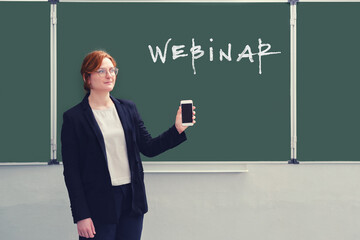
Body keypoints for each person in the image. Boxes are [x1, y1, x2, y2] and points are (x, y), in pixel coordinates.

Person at [61, 50, 196, 240]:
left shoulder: (128, 108)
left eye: (112, 70)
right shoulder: (74, 118)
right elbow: (72, 172)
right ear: (87, 77)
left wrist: (177, 129)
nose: (109, 75)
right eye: (101, 71)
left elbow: (148, 147)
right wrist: (81, 215)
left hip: (131, 199)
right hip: (98, 202)